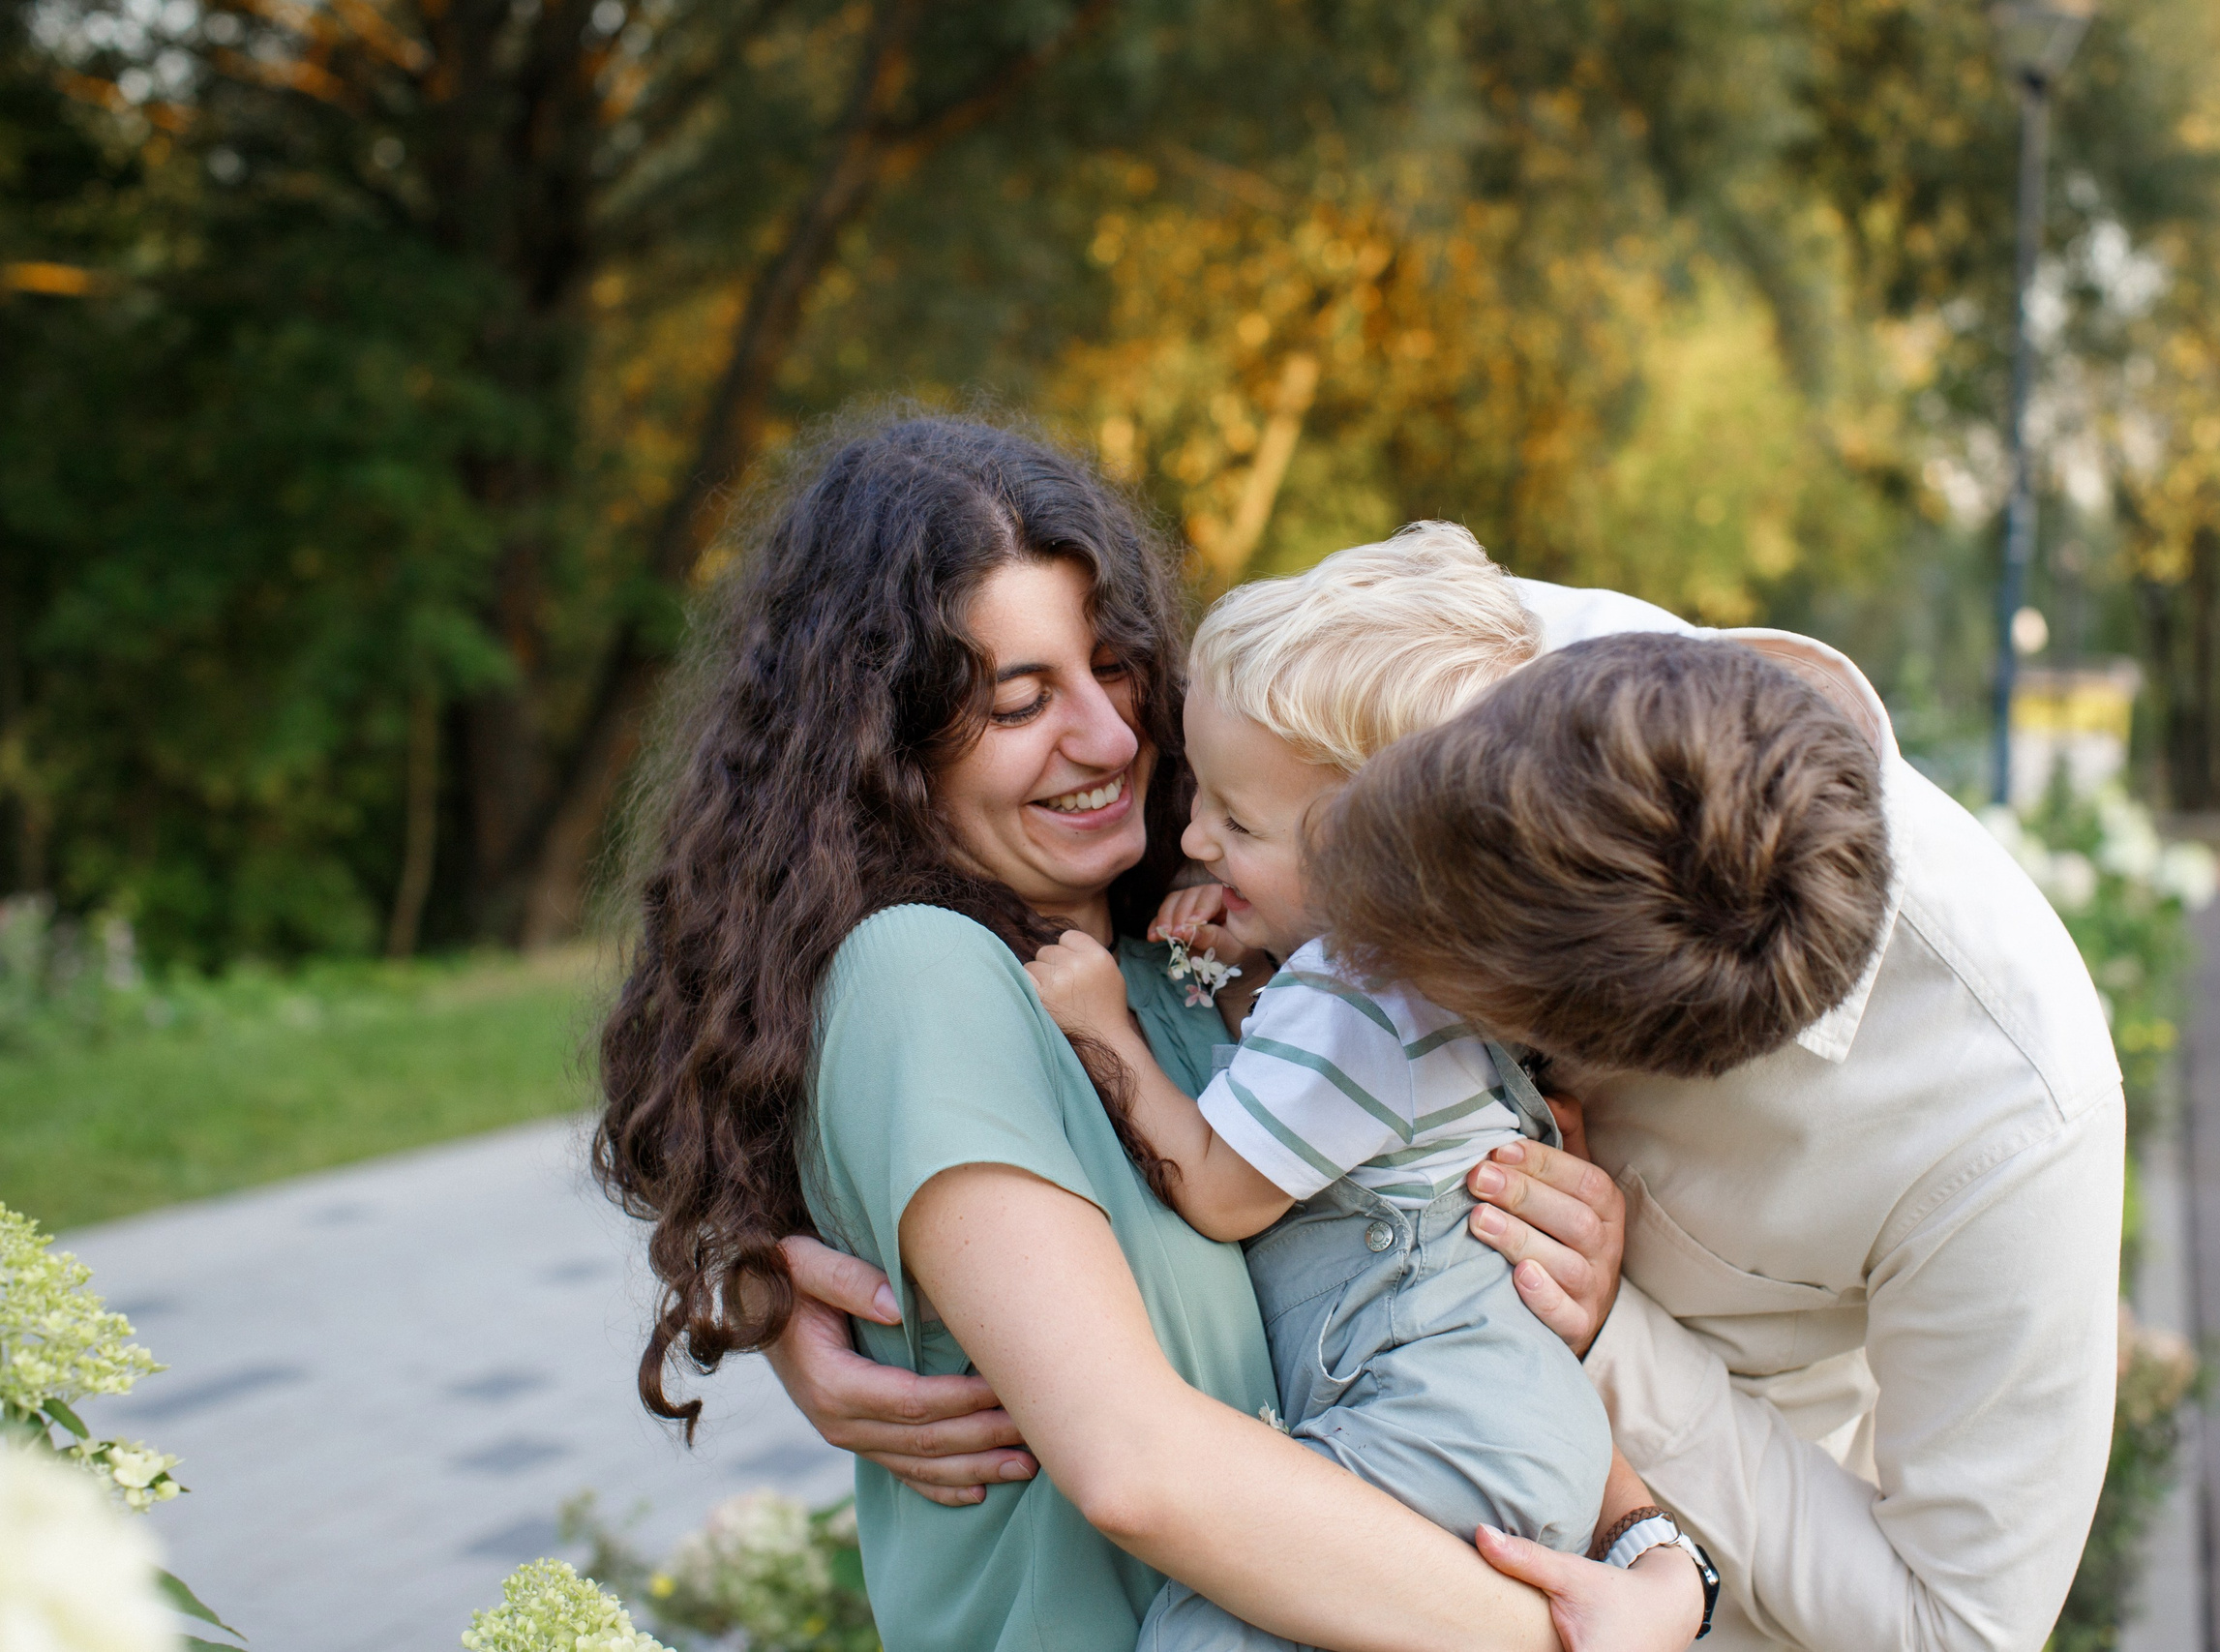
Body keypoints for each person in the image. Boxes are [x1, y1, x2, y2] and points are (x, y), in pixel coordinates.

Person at [768, 553, 2124, 1652]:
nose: (1388, 1005)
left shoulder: (2006, 1121)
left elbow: (1958, 1626)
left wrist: (1648, 1478)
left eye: (1465, 1015)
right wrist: (749, 1255)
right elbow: (1027, 779)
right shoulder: (1434, 661)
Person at [592, 414, 1702, 1652]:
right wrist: (1564, 1641)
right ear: (881, 754)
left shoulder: (1211, 972)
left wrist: (1654, 1558)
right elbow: (1138, 1466)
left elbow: (1432, 1333)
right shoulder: (929, 973)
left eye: (1114, 666)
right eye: (1021, 702)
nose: (1113, 739)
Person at [1025, 529, 1737, 1650]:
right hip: (1507, 1430)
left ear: (1376, 862)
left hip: (1439, 1422)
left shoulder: (1350, 1000)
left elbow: (1218, 1190)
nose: (1195, 837)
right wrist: (1262, 939)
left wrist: (1101, 1028)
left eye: (1238, 822)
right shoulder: (1401, 983)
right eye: (1201, 796)